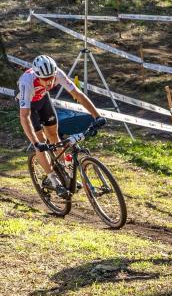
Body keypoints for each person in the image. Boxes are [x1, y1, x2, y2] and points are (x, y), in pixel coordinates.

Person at [17, 55, 106, 199]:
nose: (49, 82)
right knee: (40, 140)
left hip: (43, 100)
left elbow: (78, 94)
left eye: (51, 78)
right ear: (37, 75)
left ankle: (64, 173)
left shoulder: (57, 73)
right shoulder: (26, 82)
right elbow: (24, 116)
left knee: (54, 136)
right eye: (45, 79)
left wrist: (97, 115)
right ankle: (53, 179)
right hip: (29, 107)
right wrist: (35, 143)